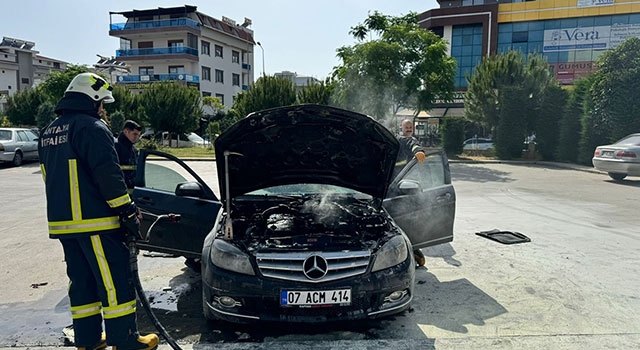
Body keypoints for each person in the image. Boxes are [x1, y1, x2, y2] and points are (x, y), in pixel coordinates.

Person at [37, 73, 159, 350]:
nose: (103, 108)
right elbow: (108, 175)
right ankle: (125, 340)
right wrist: (127, 212)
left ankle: (88, 340)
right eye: (102, 102)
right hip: (96, 223)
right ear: (92, 98)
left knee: (82, 283)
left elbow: (51, 176)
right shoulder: (92, 127)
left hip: (64, 225)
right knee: (114, 282)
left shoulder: (49, 132)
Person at [395, 119, 428, 267]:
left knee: (407, 217)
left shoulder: (410, 140)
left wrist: (418, 151)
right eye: (406, 127)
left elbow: (413, 144)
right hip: (395, 183)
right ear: (401, 128)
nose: (408, 129)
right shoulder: (398, 139)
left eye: (410, 127)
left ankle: (411, 248)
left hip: (404, 184)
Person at [115, 120, 143, 192]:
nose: (137, 137)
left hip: (131, 191)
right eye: (135, 134)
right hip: (119, 191)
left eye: (138, 135)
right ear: (126, 132)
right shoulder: (116, 147)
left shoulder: (133, 149)